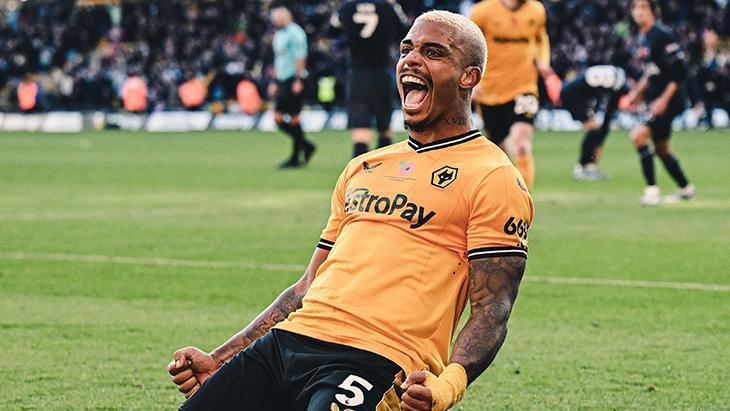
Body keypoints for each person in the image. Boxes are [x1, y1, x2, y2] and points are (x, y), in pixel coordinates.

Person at [168, 10, 533, 411]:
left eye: (433, 52)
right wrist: (219, 360)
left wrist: (447, 387)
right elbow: (308, 286)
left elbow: (492, 308)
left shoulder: (493, 176)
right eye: (406, 50)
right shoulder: (363, 167)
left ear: (469, 76)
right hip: (287, 343)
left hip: (377, 359)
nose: (411, 60)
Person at [470, 0, 555, 191]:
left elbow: (541, 38)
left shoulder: (536, 10)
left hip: (525, 88)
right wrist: (473, 81)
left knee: (522, 145)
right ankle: (506, 193)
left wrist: (543, 60)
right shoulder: (482, 12)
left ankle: (524, 200)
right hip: (490, 90)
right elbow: (468, 47)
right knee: (501, 151)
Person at [625, 0, 695, 205]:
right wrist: (635, 94)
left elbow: (680, 71)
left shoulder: (662, 34)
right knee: (662, 149)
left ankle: (652, 191)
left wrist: (663, 100)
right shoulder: (643, 37)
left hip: (670, 100)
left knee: (638, 136)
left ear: (653, 11)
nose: (638, 12)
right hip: (657, 100)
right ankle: (686, 188)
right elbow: (651, 72)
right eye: (635, 7)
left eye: (643, 7)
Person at [331, 0, 409, 158]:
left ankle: (360, 168)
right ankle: (385, 168)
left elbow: (332, 30)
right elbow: (405, 32)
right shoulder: (387, 7)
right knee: (384, 125)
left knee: (360, 124)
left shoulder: (347, 7)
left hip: (357, 74)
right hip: (382, 72)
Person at [560, 65, 629, 181]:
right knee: (594, 129)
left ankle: (589, 165)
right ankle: (583, 167)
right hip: (574, 98)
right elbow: (606, 106)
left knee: (598, 130)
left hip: (579, 97)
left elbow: (607, 113)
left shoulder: (610, 81)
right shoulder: (612, 85)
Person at [269, 6, 316, 168]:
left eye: (279, 18)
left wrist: (298, 80)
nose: (276, 21)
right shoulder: (279, 34)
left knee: (294, 118)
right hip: (282, 80)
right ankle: (306, 145)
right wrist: (275, 81)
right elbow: (279, 59)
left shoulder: (296, 33)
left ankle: (295, 157)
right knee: (278, 118)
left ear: (287, 17)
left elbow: (300, 57)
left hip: (293, 79)